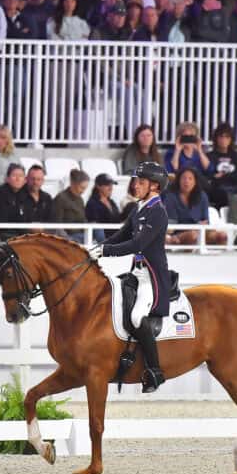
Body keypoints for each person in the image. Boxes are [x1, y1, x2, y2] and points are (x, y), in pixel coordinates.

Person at [90, 161, 171, 393]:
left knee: (136, 318)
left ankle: (155, 371)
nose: (136, 185)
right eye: (136, 181)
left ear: (154, 186)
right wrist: (97, 248)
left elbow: (137, 243)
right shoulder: (139, 207)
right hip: (135, 273)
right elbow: (121, 235)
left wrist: (106, 252)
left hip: (152, 277)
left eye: (141, 182)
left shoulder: (158, 212)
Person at [164, 167, 225, 246]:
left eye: (190, 179)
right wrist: (193, 229)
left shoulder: (202, 196)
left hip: (200, 230)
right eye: (184, 178)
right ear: (178, 181)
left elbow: (206, 221)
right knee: (193, 236)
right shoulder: (171, 197)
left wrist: (199, 227)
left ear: (195, 182)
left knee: (222, 236)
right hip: (178, 233)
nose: (187, 181)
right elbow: (172, 226)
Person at [0, 163, 26, 241]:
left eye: (21, 176)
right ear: (7, 178)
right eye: (14, 175)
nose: (18, 179)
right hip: (0, 234)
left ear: (24, 180)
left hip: (18, 234)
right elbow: (1, 221)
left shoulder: (24, 195)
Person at [205, 122, 237, 208]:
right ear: (216, 138)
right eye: (221, 136)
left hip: (234, 190)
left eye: (227, 137)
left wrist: (222, 176)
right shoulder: (209, 156)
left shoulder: (236, 156)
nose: (223, 140)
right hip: (217, 191)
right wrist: (217, 177)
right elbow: (209, 176)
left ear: (231, 139)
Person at [52, 168, 90, 243]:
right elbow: (57, 223)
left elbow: (83, 219)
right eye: (81, 188)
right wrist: (69, 240)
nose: (83, 191)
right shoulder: (61, 198)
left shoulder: (80, 199)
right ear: (73, 184)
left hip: (82, 234)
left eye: (85, 188)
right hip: (68, 236)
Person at [86, 173, 122, 241]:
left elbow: (117, 219)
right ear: (98, 186)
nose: (110, 188)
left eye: (111, 185)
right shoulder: (92, 203)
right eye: (107, 185)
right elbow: (95, 224)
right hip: (104, 239)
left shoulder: (112, 202)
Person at [18, 165, 53, 230]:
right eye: (33, 179)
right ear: (26, 179)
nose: (35, 182)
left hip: (45, 235)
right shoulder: (17, 197)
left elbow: (52, 221)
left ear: (43, 181)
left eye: (38, 179)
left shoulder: (47, 198)